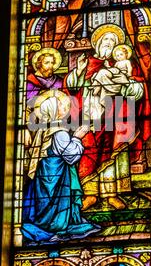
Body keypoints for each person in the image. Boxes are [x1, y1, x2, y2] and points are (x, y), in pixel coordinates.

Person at [65, 24, 145, 211]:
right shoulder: (88, 62)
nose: (108, 44)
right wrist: (78, 71)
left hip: (114, 114)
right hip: (89, 114)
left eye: (113, 41)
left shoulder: (124, 64)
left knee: (113, 151)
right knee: (89, 150)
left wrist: (125, 84)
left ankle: (111, 193)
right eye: (105, 40)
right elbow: (71, 85)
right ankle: (90, 193)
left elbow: (139, 89)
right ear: (98, 43)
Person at [21, 91, 100, 244]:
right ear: (55, 111)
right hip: (57, 178)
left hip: (46, 174)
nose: (67, 109)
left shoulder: (45, 130)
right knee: (55, 203)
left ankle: (47, 221)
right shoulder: (59, 132)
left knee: (46, 201)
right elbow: (71, 156)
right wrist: (78, 137)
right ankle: (56, 224)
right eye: (64, 107)